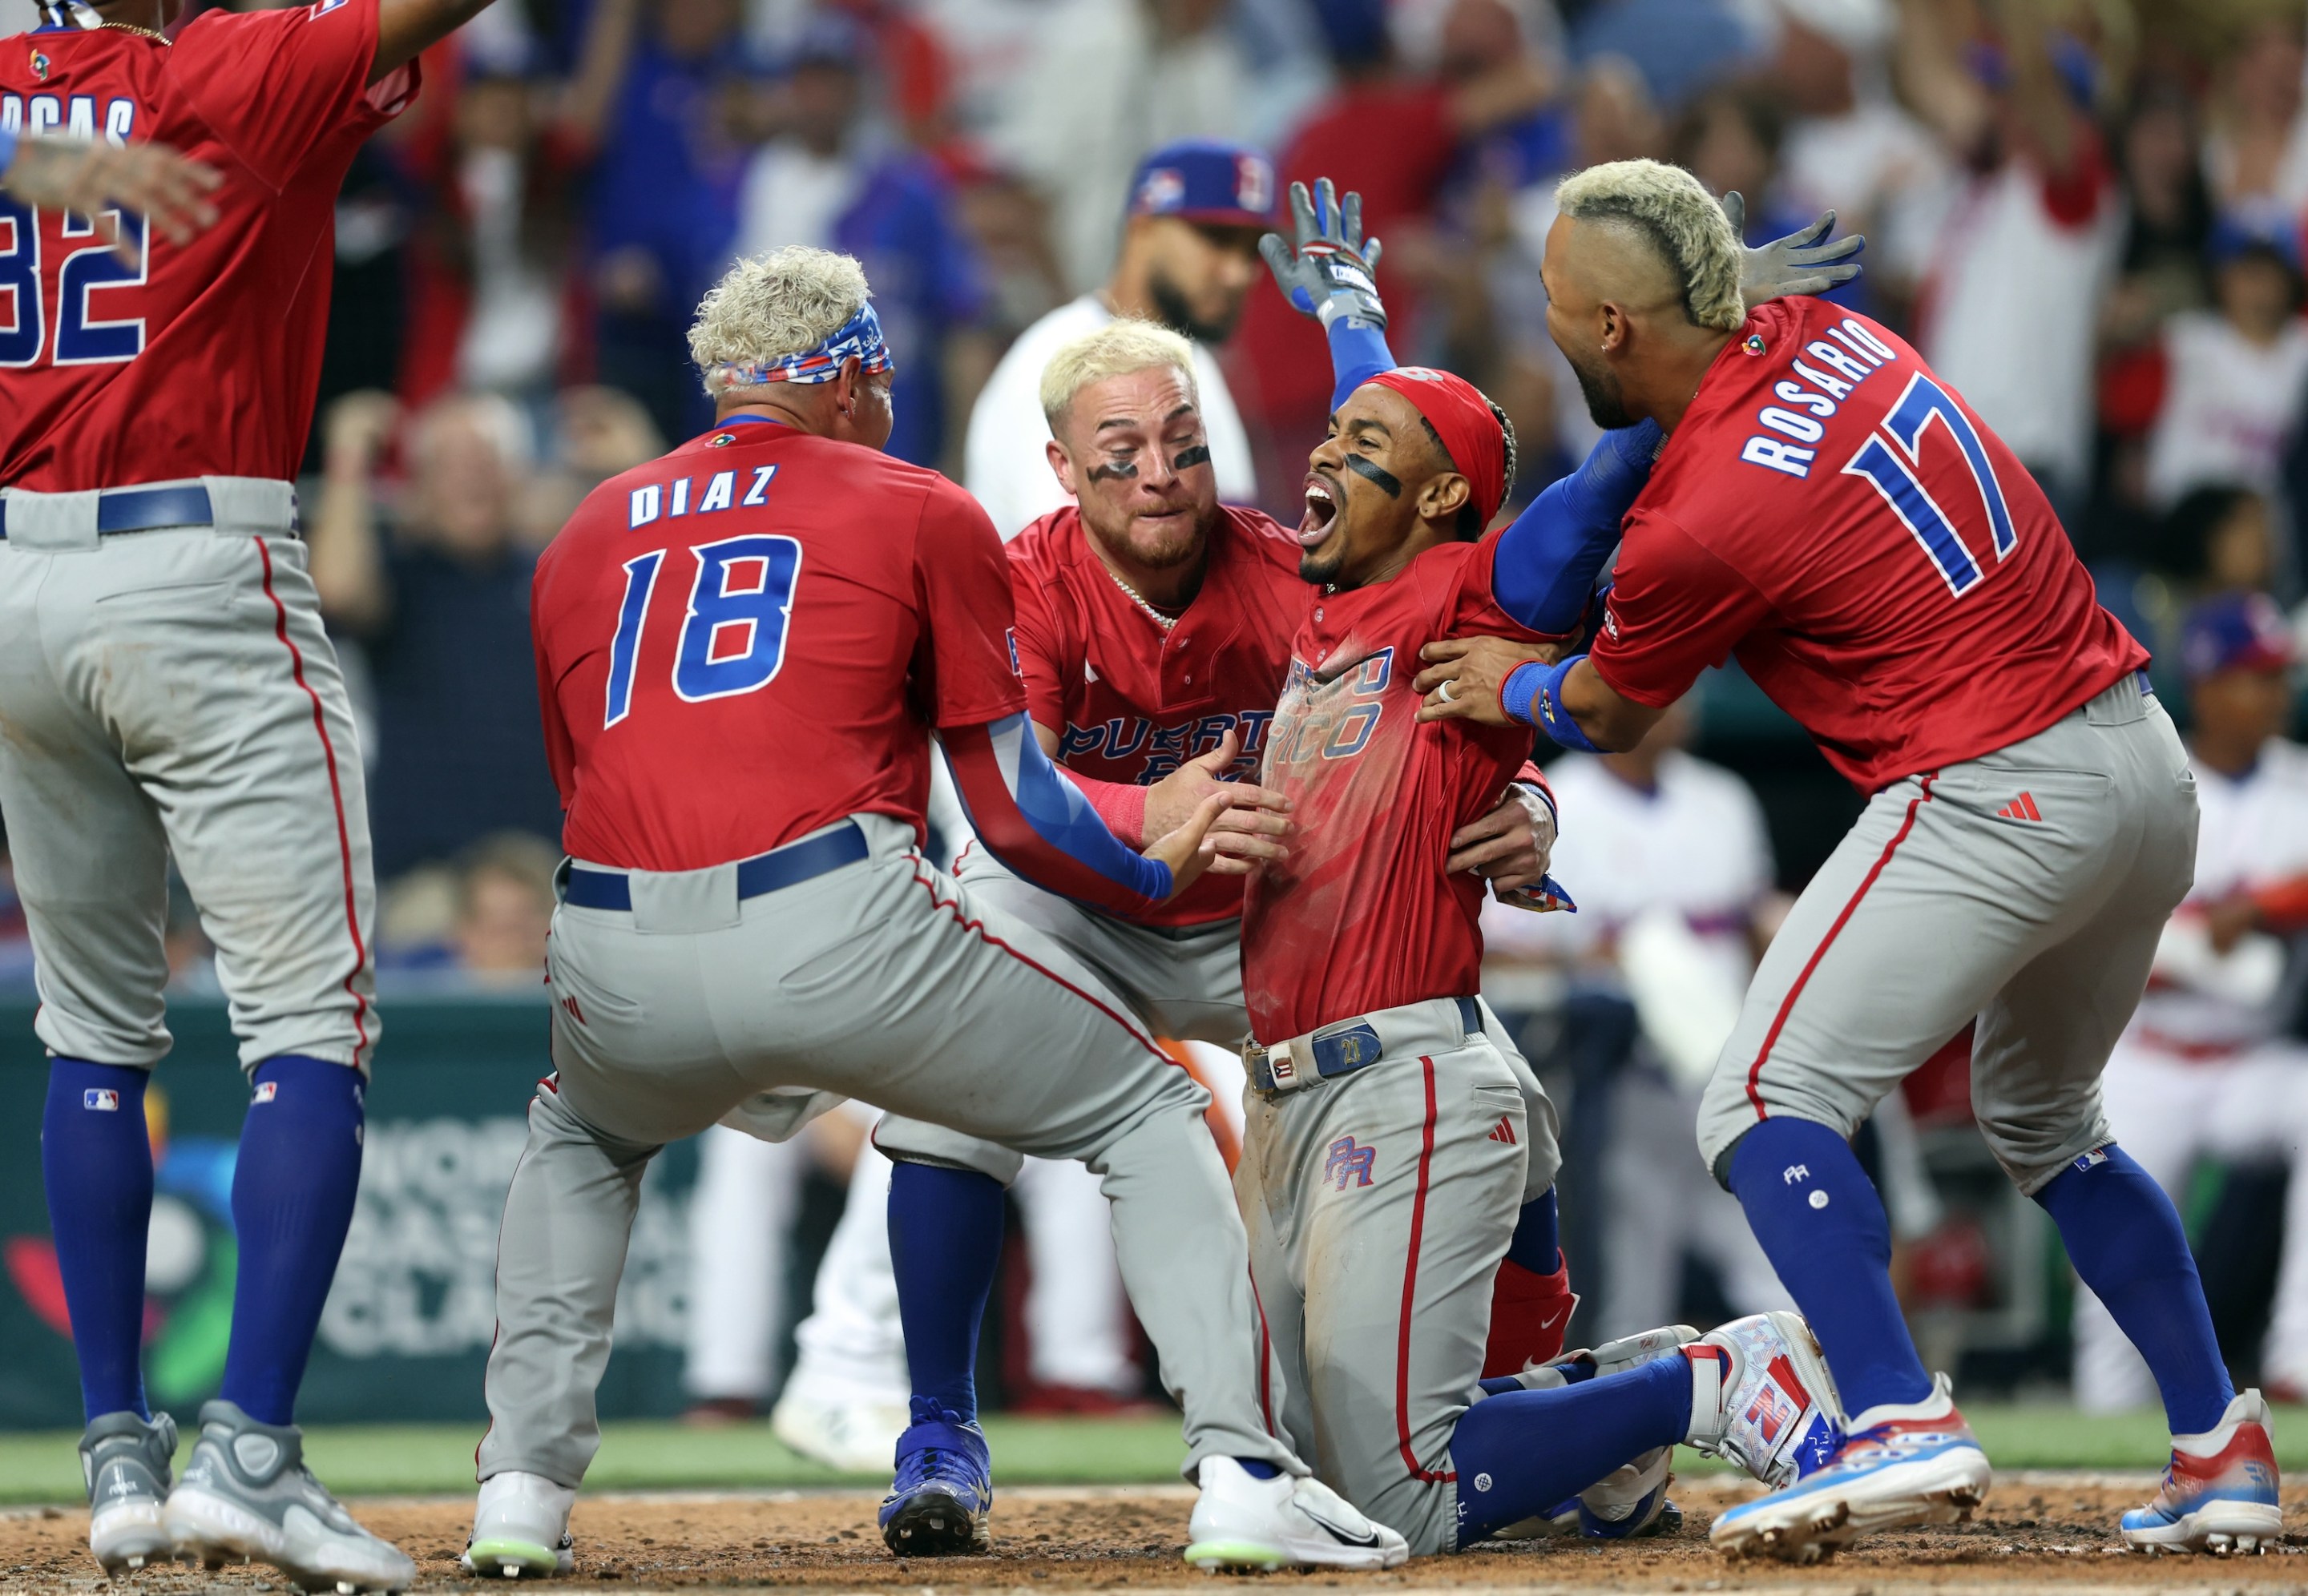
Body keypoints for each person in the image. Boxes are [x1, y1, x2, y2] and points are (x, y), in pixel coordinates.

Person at [464, 244, 1406, 1578]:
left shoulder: (583, 529)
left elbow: (583, 782)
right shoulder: (919, 503)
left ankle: (516, 1491)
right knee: (1146, 1107)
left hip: (614, 938)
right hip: (835, 913)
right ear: (847, 377)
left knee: (575, 1140)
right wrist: (1151, 869)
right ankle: (1248, 1476)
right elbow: (1012, 811)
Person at [1414, 156, 2280, 1560]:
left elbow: (1614, 710)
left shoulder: (1697, 516)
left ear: (1617, 328)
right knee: (2049, 1120)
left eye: (1564, 305)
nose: (1553, 324)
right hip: (2140, 763)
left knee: (1760, 1098)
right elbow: (1728, 345)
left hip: (1999, 780)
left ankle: (1889, 1406)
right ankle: (2220, 1442)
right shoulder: (1841, 331)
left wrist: (1509, 684)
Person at [814, 316, 1577, 1556]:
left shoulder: (1292, 567)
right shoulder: (1021, 577)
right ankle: (940, 1430)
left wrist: (1530, 804)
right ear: (1062, 470)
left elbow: (1464, 693)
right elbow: (1009, 792)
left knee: (1473, 1065)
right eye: (1120, 452)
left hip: (1257, 912)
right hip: (1075, 900)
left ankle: (1535, 1366)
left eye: (1184, 442)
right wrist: (1144, 809)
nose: (1160, 472)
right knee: (946, 1093)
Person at [1196, 182, 1847, 1562]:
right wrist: (1348, 318)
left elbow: (1612, 463)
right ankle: (1615, 1442)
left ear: (1439, 497)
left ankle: (1715, 1383)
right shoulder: (1339, 590)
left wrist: (1711, 318)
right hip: (1293, 1093)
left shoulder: (1479, 590)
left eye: (1358, 445)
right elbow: (1391, 424)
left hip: (1409, 1077)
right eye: (1327, 437)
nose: (1324, 452)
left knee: (1400, 1499)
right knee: (1300, 1471)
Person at [0, 0, 514, 1574]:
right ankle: (254, 1450)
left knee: (89, 1029)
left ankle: (115, 1460)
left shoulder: (16, 89)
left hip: (15, 579)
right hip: (199, 561)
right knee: (309, 1020)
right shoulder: (240, 63)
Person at [1480, 696, 1796, 1339]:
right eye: (1665, 693)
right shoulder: (1557, 799)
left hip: (1723, 1072)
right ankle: (1631, 1428)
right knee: (1629, 1291)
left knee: (1774, 1258)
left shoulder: (1721, 798)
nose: (1683, 706)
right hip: (1615, 1080)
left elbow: (1756, 919)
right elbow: (1501, 946)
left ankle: (1835, 1407)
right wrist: (1605, 953)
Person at [2081, 593, 2308, 1409]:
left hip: (2253, 1058)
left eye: (2280, 677)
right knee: (2112, 1271)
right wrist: (2182, 944)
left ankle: (2296, 1362)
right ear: (2208, 688)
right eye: (2255, 678)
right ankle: (2104, 1419)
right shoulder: (2149, 777)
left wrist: (2265, 909)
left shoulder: (2298, 782)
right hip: (2150, 1055)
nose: (2275, 695)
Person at [309, 389, 564, 875]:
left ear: (518, 477)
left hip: (546, 876)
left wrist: (637, 465)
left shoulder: (553, 578)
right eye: (449, 464)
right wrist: (349, 460)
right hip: (426, 877)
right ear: (418, 486)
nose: (471, 476)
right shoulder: (399, 579)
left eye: (486, 459)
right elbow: (336, 591)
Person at [964, 139, 1267, 537]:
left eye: (1252, 250)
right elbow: (1075, 565)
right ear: (1143, 225)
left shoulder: (1195, 363)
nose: (1239, 272)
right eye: (1217, 239)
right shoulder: (1059, 361)